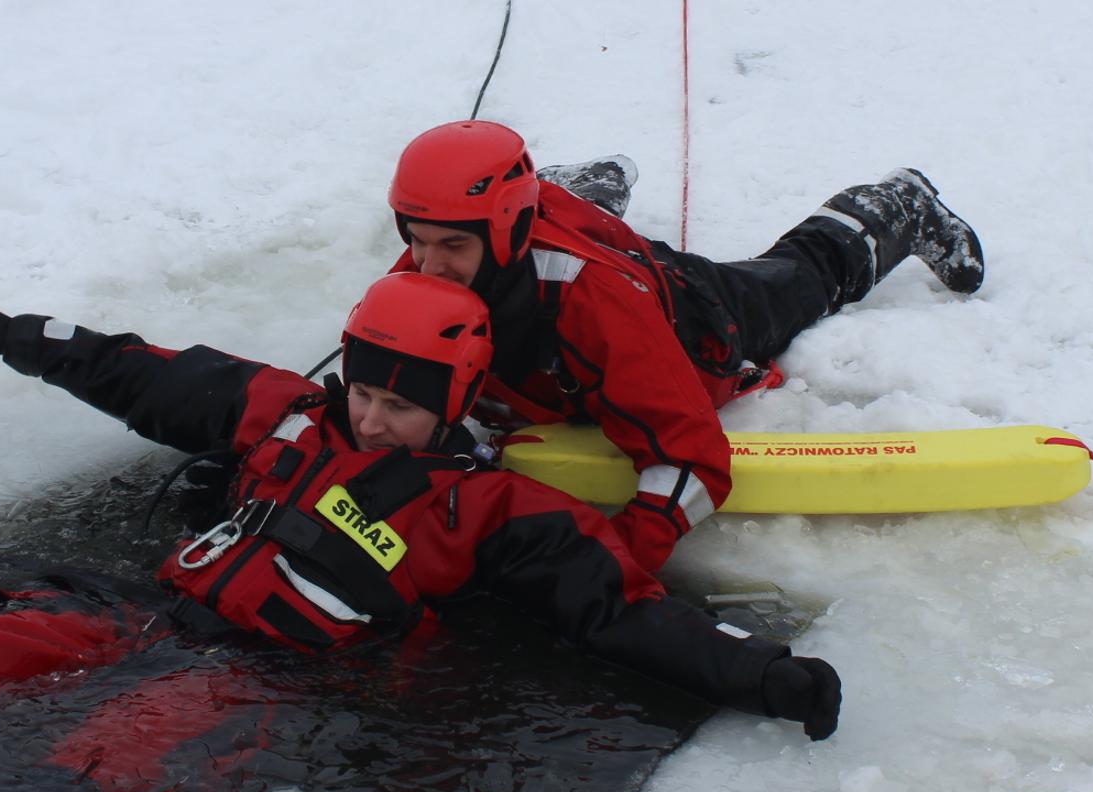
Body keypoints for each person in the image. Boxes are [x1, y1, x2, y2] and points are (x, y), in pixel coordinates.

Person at [0, 273, 842, 748]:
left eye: (400, 405)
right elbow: (139, 372)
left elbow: (620, 612)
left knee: (80, 777)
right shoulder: (286, 412)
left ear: (454, 405)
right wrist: (14, 333)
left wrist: (760, 671)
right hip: (136, 618)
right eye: (364, 391)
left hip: (257, 680)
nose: (373, 419)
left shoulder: (494, 509)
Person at [385, 119, 986, 572]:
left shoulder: (596, 305)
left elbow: (694, 456)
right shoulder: (420, 273)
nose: (428, 267)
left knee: (799, 277)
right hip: (570, 260)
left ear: (507, 227)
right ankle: (586, 192)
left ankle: (898, 204)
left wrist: (614, 564)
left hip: (693, 315)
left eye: (453, 247)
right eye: (419, 241)